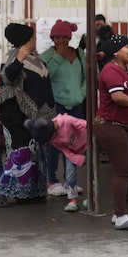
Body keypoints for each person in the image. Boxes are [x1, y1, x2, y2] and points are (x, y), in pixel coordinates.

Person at [0, 23, 55, 207]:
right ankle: (0, 189)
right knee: (20, 157)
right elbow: (8, 78)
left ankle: (28, 193)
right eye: (32, 37)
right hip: (16, 117)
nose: (35, 40)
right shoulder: (12, 57)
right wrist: (20, 58)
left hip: (35, 117)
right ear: (25, 40)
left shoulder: (36, 59)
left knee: (34, 155)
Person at [91, 33, 128, 230]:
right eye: (127, 47)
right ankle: (121, 216)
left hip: (124, 127)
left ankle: (118, 213)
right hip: (110, 125)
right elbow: (118, 97)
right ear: (115, 52)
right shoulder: (110, 70)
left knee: (126, 169)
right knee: (122, 171)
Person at [40, 19, 87, 211]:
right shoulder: (47, 56)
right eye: (57, 37)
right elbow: (45, 76)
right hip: (57, 105)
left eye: (64, 36)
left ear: (70, 37)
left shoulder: (79, 53)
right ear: (52, 37)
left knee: (76, 145)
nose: (61, 40)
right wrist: (58, 56)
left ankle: (71, 182)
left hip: (76, 105)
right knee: (55, 144)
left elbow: (86, 76)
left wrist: (82, 93)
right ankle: (53, 180)